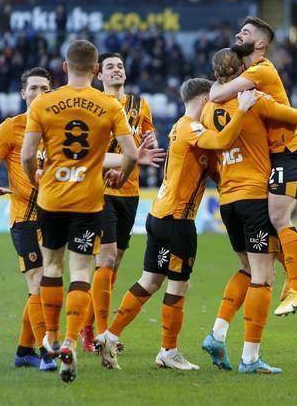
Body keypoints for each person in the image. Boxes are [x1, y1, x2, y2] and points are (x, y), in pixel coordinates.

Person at [94, 79, 258, 371]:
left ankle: (109, 336)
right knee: (179, 285)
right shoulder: (190, 128)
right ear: (206, 99)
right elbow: (221, 141)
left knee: (150, 281)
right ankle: (168, 351)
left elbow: (213, 165)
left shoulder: (184, 129)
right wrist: (242, 110)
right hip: (177, 220)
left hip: (161, 215)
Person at [20, 40, 139, 384]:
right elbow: (131, 154)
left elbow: (27, 156)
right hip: (89, 201)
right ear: (97, 69)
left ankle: (52, 339)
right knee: (82, 270)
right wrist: (121, 176)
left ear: (64, 67)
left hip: (52, 199)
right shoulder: (110, 104)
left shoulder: (43, 103)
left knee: (51, 267)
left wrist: (35, 177)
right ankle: (71, 341)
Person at [200, 49, 297, 374]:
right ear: (242, 71)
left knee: (247, 269)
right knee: (263, 277)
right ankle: (250, 358)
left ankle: (217, 333)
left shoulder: (207, 110)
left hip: (228, 201)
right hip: (253, 197)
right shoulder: (253, 100)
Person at [209, 16, 297, 317]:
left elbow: (217, 94)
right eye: (240, 30)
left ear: (261, 43)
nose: (239, 35)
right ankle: (295, 268)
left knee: (278, 216)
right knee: (268, 220)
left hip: (287, 153)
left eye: (246, 32)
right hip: (272, 157)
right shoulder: (250, 75)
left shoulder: (261, 70)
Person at [79, 53, 157, 351]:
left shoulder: (140, 105)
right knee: (107, 258)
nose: (116, 70)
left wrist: (147, 146)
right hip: (100, 190)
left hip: (129, 191)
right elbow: (86, 151)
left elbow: (147, 140)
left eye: (120, 66)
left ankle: (87, 326)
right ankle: (101, 333)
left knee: (115, 263)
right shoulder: (92, 104)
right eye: (110, 67)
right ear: (99, 75)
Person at [0, 67, 57, 372]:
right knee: (37, 281)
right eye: (33, 88)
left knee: (43, 286)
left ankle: (24, 352)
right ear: (23, 93)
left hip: (54, 216)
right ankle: (47, 353)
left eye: (44, 89)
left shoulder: (60, 128)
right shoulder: (11, 127)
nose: (39, 93)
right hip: (24, 217)